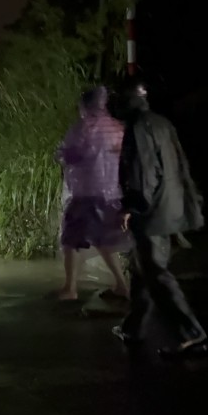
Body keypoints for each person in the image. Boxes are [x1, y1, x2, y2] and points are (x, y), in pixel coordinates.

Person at [114, 79, 208, 358]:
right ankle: (133, 327)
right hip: (169, 205)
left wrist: (132, 206)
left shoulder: (139, 127)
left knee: (155, 273)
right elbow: (179, 164)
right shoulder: (162, 123)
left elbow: (144, 172)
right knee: (142, 269)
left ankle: (192, 333)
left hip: (153, 211)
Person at [55, 87, 131, 300]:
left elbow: (69, 155)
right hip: (111, 193)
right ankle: (122, 285)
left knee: (70, 240)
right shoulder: (117, 127)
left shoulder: (82, 128)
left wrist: (62, 156)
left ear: (84, 105)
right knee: (104, 240)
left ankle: (70, 288)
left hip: (85, 193)